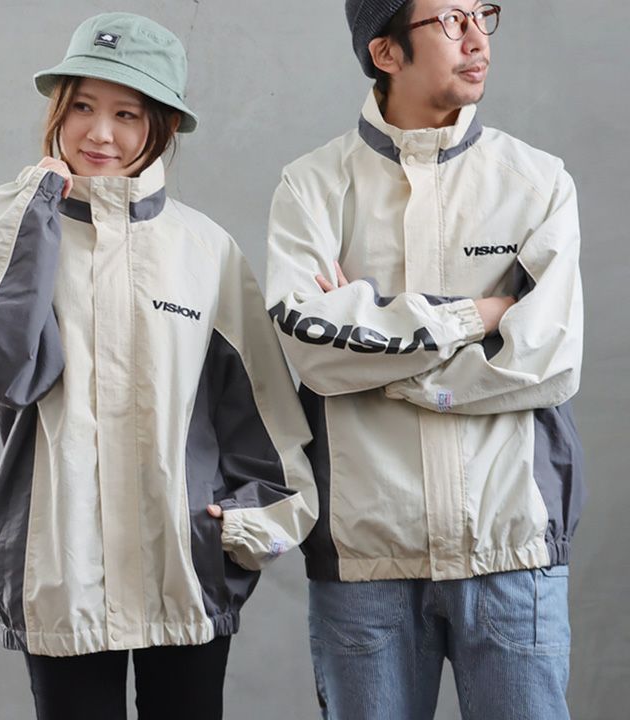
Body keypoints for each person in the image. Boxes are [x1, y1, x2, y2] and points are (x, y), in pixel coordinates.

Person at [0, 12, 317, 720]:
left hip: (184, 563)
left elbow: (262, 412)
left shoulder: (205, 250)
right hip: (61, 567)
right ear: (58, 111)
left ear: (161, 128)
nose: (99, 133)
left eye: (126, 114)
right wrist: (33, 210)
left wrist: (241, 527)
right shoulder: (16, 225)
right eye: (82, 106)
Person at [265, 2, 584, 718]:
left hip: (511, 553)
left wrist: (378, 346)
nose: (477, 40)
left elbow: (549, 359)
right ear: (386, 53)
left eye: (482, 14)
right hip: (364, 562)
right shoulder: (311, 188)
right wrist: (481, 315)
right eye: (449, 21)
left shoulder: (537, 183)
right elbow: (315, 354)